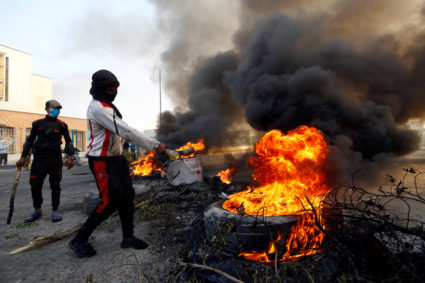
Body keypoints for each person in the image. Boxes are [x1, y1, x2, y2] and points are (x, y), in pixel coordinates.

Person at [69, 69, 167, 258]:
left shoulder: (106, 106)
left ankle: (128, 237)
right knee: (108, 202)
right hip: (102, 162)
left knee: (127, 197)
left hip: (116, 160)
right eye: (110, 88)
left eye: (116, 87)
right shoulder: (99, 108)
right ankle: (78, 240)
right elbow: (126, 131)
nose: (114, 91)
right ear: (100, 89)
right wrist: (154, 145)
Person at [16, 100, 74, 223]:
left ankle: (55, 211)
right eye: (53, 108)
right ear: (46, 109)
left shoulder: (62, 125)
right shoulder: (37, 123)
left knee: (55, 185)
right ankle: (37, 210)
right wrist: (23, 157)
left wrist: (69, 157)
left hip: (55, 159)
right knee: (35, 184)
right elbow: (30, 141)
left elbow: (68, 141)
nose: (56, 110)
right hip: (39, 159)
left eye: (58, 108)